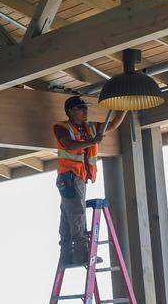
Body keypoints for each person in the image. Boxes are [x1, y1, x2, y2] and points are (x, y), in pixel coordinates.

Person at [53, 96, 126, 265]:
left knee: (68, 215)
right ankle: (82, 253)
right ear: (70, 111)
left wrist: (124, 108)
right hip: (70, 177)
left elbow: (112, 125)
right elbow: (69, 145)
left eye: (85, 108)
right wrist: (91, 141)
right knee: (77, 213)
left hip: (79, 178)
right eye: (81, 108)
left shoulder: (90, 128)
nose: (85, 111)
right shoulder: (62, 127)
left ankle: (66, 255)